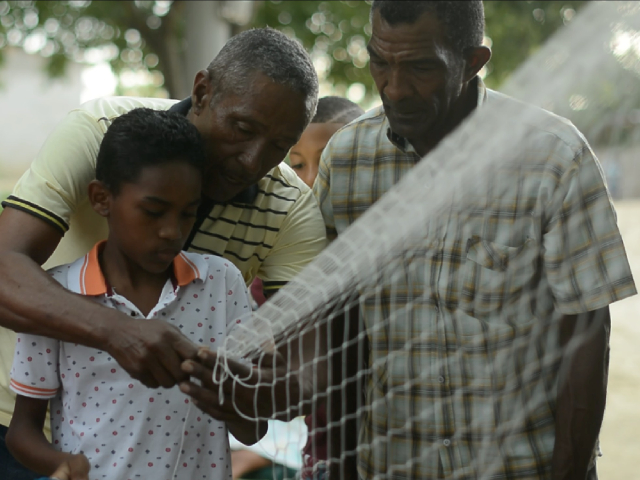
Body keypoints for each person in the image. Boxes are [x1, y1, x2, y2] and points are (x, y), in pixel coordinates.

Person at [179, 2, 637, 480]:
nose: (395, 88)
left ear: (474, 61)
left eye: (421, 67)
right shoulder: (349, 159)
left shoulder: (554, 156)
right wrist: (338, 462)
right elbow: (341, 337)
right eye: (381, 61)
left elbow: (586, 340)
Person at [0, 27, 325, 479]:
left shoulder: (287, 212)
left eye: (279, 146)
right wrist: (120, 332)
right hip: (27, 434)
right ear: (202, 91)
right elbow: (4, 271)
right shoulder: (101, 136)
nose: (253, 161)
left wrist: (251, 397)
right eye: (243, 128)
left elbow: (307, 374)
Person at [6, 108, 265, 480]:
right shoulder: (55, 297)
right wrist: (68, 466)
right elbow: (22, 433)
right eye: (154, 211)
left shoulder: (221, 285)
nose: (171, 232)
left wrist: (228, 396)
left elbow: (253, 431)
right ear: (101, 198)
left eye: (188, 214)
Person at [239, 96, 364, 480]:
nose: (311, 178)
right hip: (326, 460)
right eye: (296, 164)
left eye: (331, 162)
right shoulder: (278, 268)